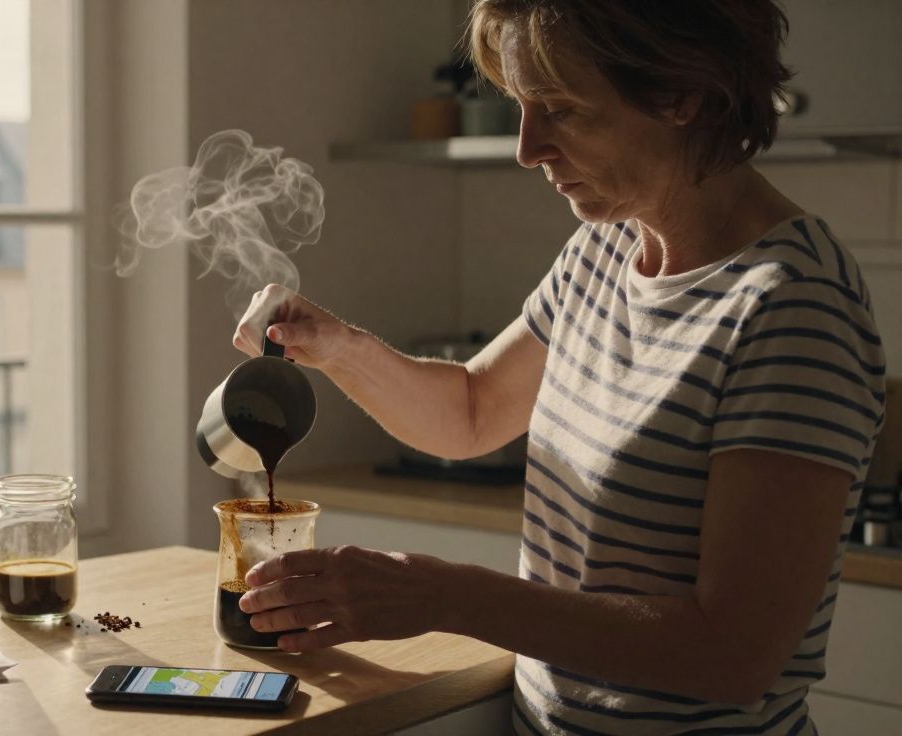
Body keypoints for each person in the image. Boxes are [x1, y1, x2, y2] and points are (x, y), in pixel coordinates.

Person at [230, 2, 886, 734]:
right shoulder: (606, 249)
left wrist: (443, 595)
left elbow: (734, 654)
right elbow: (473, 411)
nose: (527, 147)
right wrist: (336, 345)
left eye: (563, 110)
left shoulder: (790, 306)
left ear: (682, 93)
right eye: (518, 106)